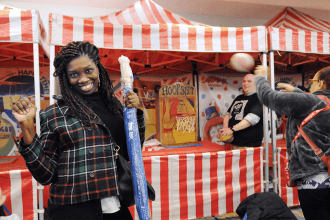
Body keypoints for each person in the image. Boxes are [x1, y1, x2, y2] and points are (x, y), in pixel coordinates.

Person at [12, 41, 145, 220]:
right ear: (66, 78)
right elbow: (45, 175)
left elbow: (131, 154)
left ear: (98, 68)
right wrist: (27, 128)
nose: (82, 79)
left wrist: (135, 114)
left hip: (113, 207)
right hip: (71, 211)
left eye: (88, 70)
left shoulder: (114, 106)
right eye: (74, 74)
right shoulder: (54, 114)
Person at [254, 65, 330, 220]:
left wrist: (261, 78)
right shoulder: (318, 103)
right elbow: (314, 108)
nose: (311, 84)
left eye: (313, 81)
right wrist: (297, 93)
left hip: (313, 181)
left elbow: (269, 97)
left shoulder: (310, 102)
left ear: (321, 84)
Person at [217, 73, 263, 149]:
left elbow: (252, 119)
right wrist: (225, 129)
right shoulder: (239, 97)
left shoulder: (258, 98)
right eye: (244, 81)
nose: (245, 83)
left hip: (249, 145)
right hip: (234, 142)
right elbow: (227, 114)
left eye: (249, 81)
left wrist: (231, 129)